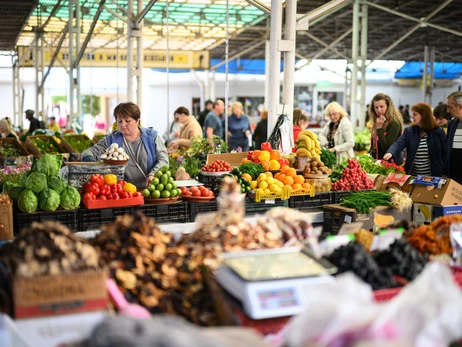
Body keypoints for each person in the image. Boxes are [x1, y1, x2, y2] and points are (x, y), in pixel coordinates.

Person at [82, 102, 168, 190]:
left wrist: (153, 174)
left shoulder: (152, 137)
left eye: (127, 121)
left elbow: (163, 160)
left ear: (137, 121)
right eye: (120, 121)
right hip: (123, 193)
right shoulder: (111, 140)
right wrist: (89, 159)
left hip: (150, 190)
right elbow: (88, 152)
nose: (123, 124)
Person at [384, 103, 446, 177]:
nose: (412, 116)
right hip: (413, 177)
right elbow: (399, 143)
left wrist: (444, 172)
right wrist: (391, 152)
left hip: (432, 178)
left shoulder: (438, 132)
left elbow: (445, 153)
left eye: (415, 114)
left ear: (424, 115)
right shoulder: (409, 131)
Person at [368, 93, 404, 164]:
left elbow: (387, 148)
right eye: (376, 107)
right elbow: (374, 145)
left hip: (392, 163)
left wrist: (379, 128)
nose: (379, 110)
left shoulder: (394, 122)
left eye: (382, 106)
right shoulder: (377, 120)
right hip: (378, 162)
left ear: (388, 106)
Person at [445, 91, 462, 184]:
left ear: (460, 107)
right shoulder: (452, 124)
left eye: (450, 107)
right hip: (454, 175)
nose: (448, 111)